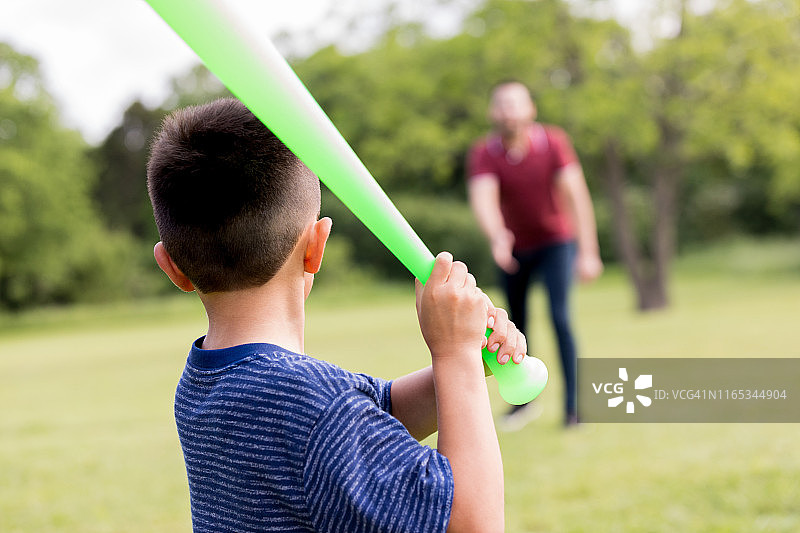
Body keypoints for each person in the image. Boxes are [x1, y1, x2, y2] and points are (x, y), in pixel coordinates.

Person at [147, 98, 527, 532]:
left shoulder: (205, 382)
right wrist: (455, 354)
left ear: (171, 266)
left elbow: (370, 417)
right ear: (317, 246)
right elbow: (473, 525)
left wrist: (469, 367)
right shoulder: (313, 401)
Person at [467, 80, 603, 429]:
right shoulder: (485, 151)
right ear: (492, 112)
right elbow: (484, 197)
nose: (509, 110)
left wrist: (588, 251)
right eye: (502, 104)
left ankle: (575, 409)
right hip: (514, 248)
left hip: (556, 242)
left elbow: (577, 196)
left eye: (516, 103)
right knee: (514, 325)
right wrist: (498, 236)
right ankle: (523, 402)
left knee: (560, 318)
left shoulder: (553, 142)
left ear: (531, 109)